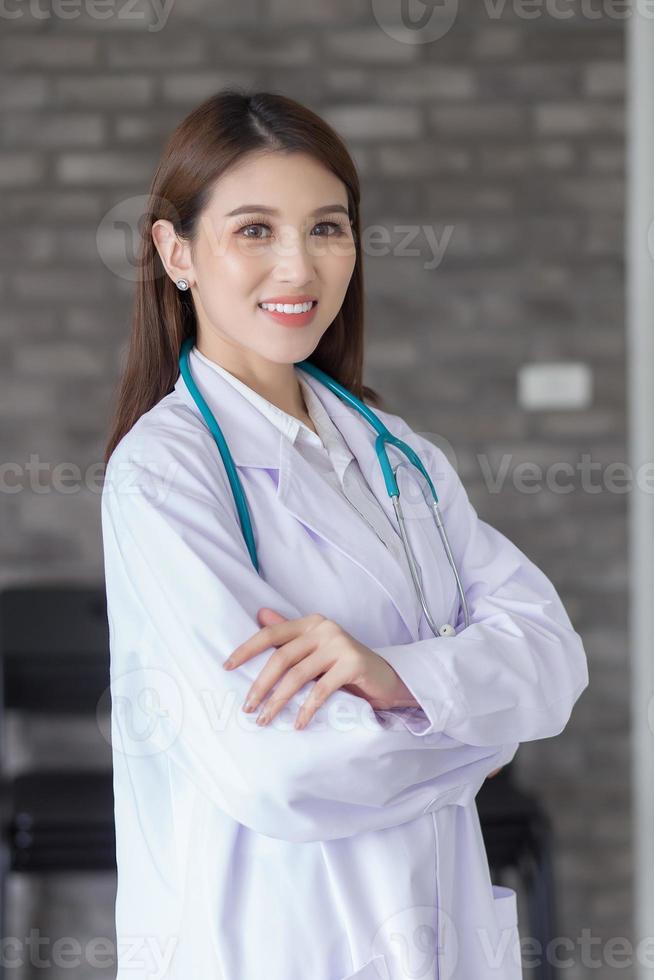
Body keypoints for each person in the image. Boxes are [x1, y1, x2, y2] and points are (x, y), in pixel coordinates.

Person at [101, 88, 589, 980]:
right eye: (255, 230)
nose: (299, 267)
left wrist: (393, 677)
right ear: (176, 252)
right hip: (272, 938)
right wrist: (478, 726)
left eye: (327, 228)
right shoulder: (165, 474)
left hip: (437, 925)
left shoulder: (400, 453)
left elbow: (554, 659)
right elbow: (278, 768)